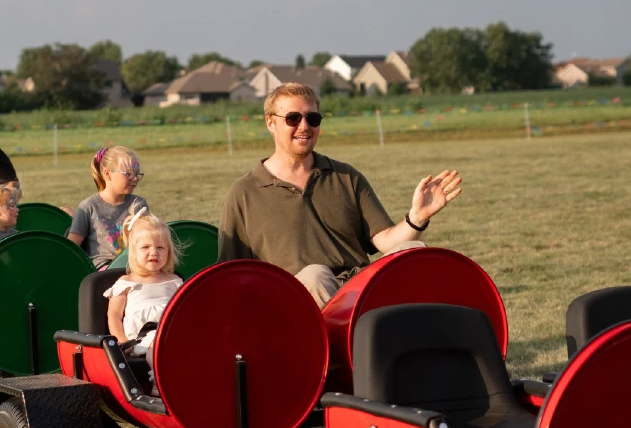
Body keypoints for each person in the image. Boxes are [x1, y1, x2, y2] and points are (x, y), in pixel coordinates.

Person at [218, 82, 462, 308]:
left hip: (357, 288)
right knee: (315, 275)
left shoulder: (346, 177)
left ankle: (420, 340)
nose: (304, 126)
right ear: (271, 123)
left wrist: (417, 217)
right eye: (293, 118)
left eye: (312, 118)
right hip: (295, 300)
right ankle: (331, 352)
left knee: (414, 249)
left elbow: (385, 241)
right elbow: (231, 276)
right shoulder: (244, 193)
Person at [104, 206, 183, 395]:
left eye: (160, 247)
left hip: (172, 331)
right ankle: (160, 383)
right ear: (133, 251)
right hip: (139, 337)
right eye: (146, 247)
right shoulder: (126, 283)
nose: (154, 252)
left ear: (169, 252)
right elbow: (114, 315)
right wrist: (122, 342)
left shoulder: (174, 281)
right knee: (157, 342)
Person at [67, 146, 148, 268]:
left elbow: (148, 239)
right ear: (107, 174)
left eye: (137, 174)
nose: (135, 179)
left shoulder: (138, 204)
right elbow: (72, 247)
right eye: (129, 174)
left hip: (134, 266)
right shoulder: (88, 207)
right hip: (103, 270)